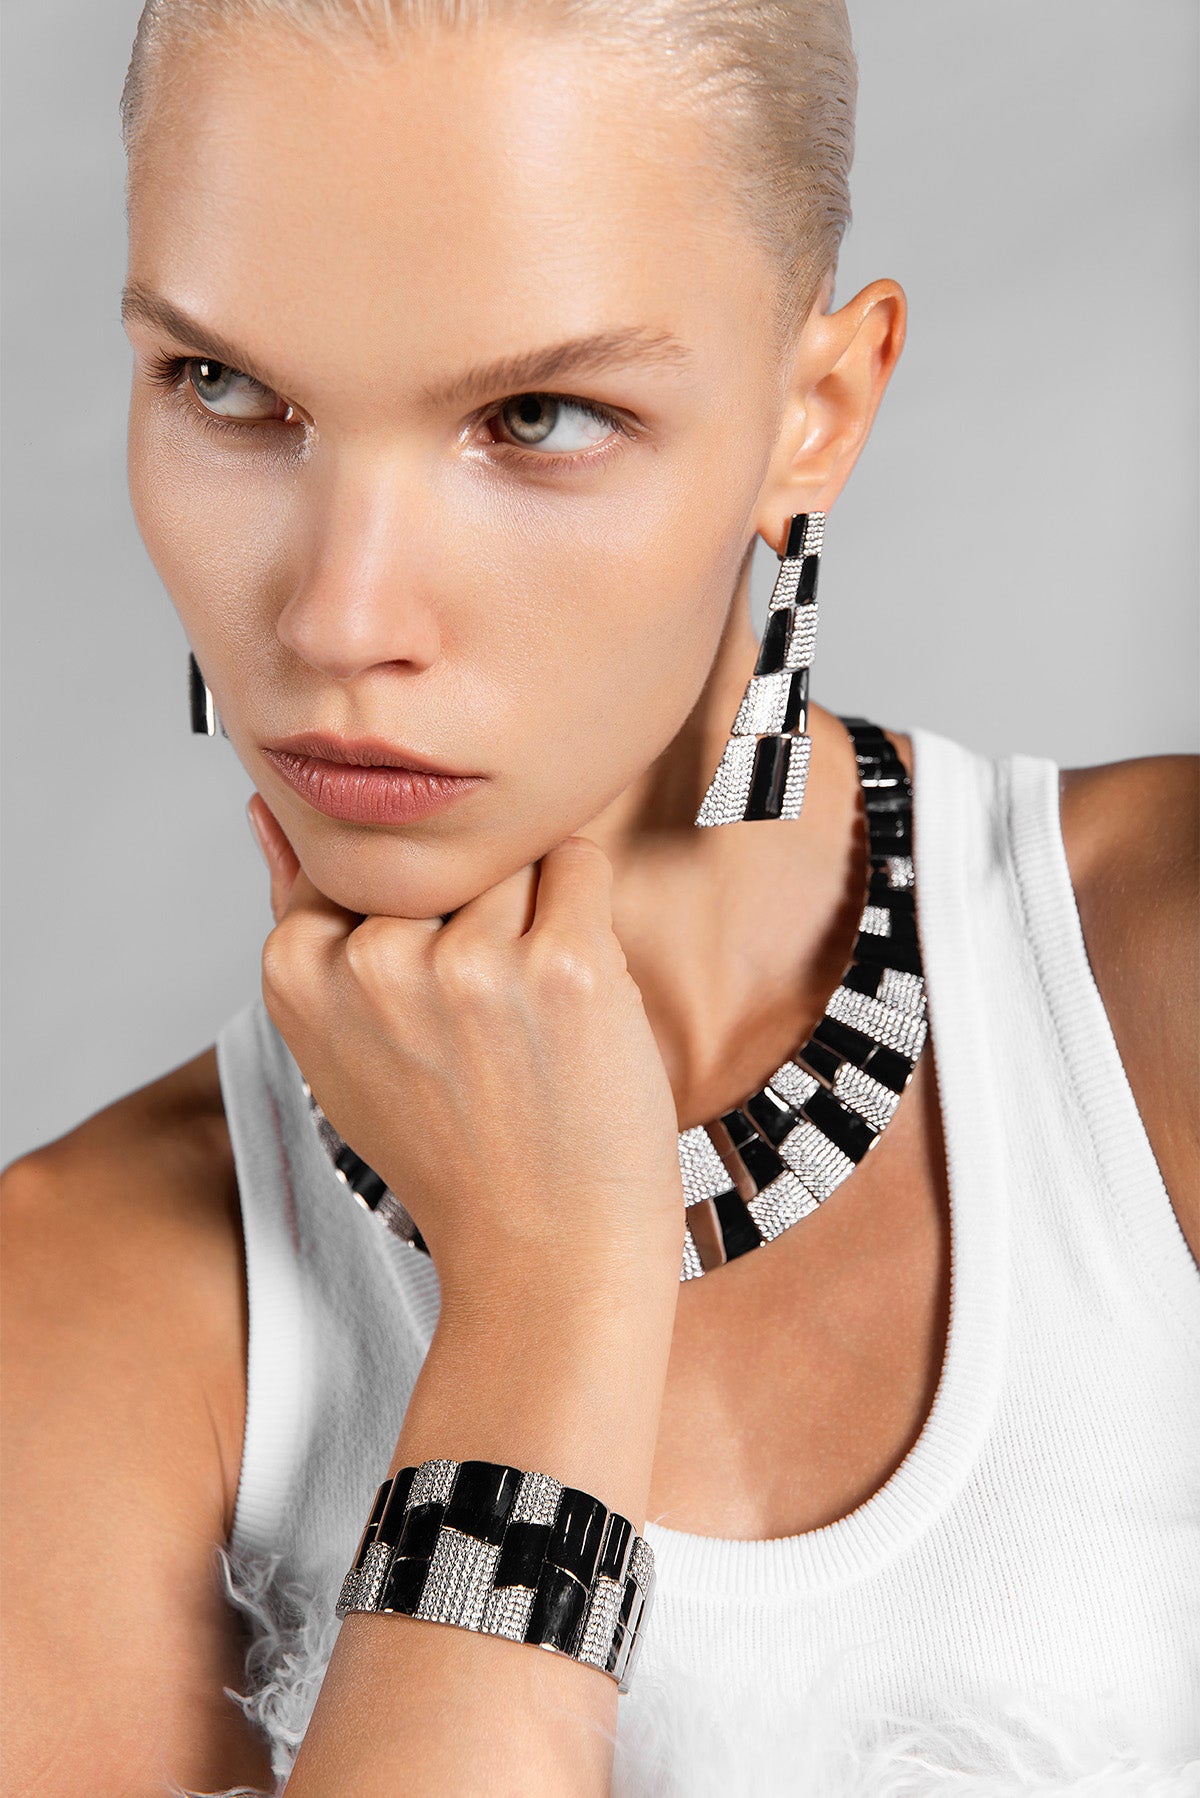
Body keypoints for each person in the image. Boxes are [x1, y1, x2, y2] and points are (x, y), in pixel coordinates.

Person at [2, 0, 1197, 1792]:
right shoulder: (77, 1301)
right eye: (230, 390)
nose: (335, 616)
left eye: (537, 415)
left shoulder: (1155, 975)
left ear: (818, 411)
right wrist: (547, 1295)